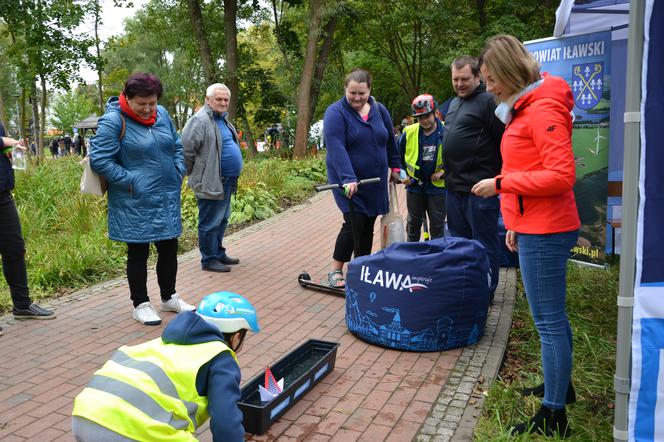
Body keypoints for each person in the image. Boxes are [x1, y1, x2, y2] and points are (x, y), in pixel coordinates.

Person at [472, 34, 580, 437]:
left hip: (547, 228)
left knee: (548, 322)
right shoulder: (525, 105)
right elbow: (534, 167)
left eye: (489, 78)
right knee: (553, 319)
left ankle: (554, 416)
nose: (488, 87)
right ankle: (560, 388)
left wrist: (501, 183)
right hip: (533, 224)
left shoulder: (542, 107)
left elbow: (560, 175)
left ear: (507, 71)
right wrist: (514, 220)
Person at [72, 291, 259, 441]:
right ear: (236, 337)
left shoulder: (161, 344)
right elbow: (225, 422)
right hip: (132, 429)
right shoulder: (221, 357)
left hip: (85, 415)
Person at [90, 72, 195, 326]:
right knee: (138, 250)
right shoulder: (113, 121)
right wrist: (131, 181)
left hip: (166, 195)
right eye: (142, 104)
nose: (149, 109)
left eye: (153, 103)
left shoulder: (163, 115)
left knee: (169, 247)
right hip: (134, 199)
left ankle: (169, 297)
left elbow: (176, 146)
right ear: (127, 97)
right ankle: (141, 304)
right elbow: (100, 159)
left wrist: (178, 169)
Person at [323, 68, 401, 288]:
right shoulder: (335, 112)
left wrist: (396, 167)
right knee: (353, 222)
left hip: (374, 182)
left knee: (368, 222)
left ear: (369, 90)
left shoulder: (379, 110)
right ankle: (335, 270)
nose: (357, 98)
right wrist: (348, 178)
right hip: (348, 181)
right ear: (345, 90)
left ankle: (361, 267)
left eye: (362, 93)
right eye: (352, 93)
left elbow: (390, 142)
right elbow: (336, 147)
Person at [443, 55, 504, 301]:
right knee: (459, 245)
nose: (459, 84)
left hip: (479, 190)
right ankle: (464, 289)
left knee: (483, 243)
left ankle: (486, 292)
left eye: (465, 79)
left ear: (478, 77)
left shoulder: (489, 101)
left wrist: (497, 180)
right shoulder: (455, 104)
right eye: (455, 79)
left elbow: (504, 143)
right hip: (453, 189)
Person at [0, 122, 56, 337]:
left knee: (15, 249)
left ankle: (22, 305)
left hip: (3, 192)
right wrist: (5, 142)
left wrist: (9, 152)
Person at [181, 83, 243, 273]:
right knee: (209, 222)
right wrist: (196, 175)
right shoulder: (199, 121)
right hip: (211, 180)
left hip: (227, 181)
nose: (223, 103)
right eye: (218, 99)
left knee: (222, 219)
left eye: (226, 100)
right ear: (207, 100)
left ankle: (218, 252)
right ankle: (208, 259)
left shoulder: (223, 120)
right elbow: (186, 151)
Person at [398, 93, 446, 241]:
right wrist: (402, 175)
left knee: (437, 226)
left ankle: (437, 259)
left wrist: (443, 172)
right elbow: (397, 158)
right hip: (414, 186)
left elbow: (458, 158)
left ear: (435, 113)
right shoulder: (409, 132)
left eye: (427, 116)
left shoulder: (447, 131)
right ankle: (412, 257)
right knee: (413, 224)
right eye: (420, 118)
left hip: (437, 187)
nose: (424, 120)